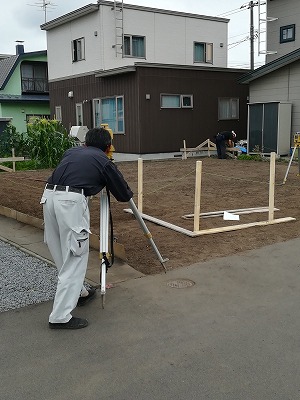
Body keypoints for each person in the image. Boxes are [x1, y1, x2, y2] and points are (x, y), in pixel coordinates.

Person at [40, 127, 133, 330]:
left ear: (85, 143)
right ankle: (60, 316)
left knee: (62, 254)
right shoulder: (102, 161)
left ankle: (80, 292)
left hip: (48, 197)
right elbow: (124, 195)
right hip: (70, 203)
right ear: (108, 147)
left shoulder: (71, 152)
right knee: (75, 256)